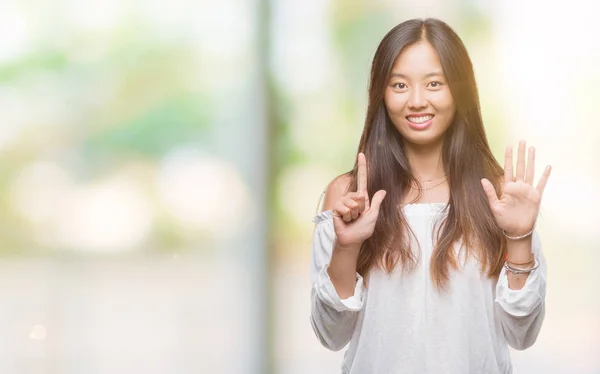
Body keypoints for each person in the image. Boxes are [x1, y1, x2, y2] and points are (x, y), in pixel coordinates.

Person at [309, 18, 552, 374]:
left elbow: (522, 334)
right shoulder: (348, 196)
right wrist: (346, 248)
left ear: (460, 90)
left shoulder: (499, 197)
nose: (417, 101)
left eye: (435, 83)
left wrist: (519, 238)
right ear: (381, 93)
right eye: (399, 85)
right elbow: (331, 335)